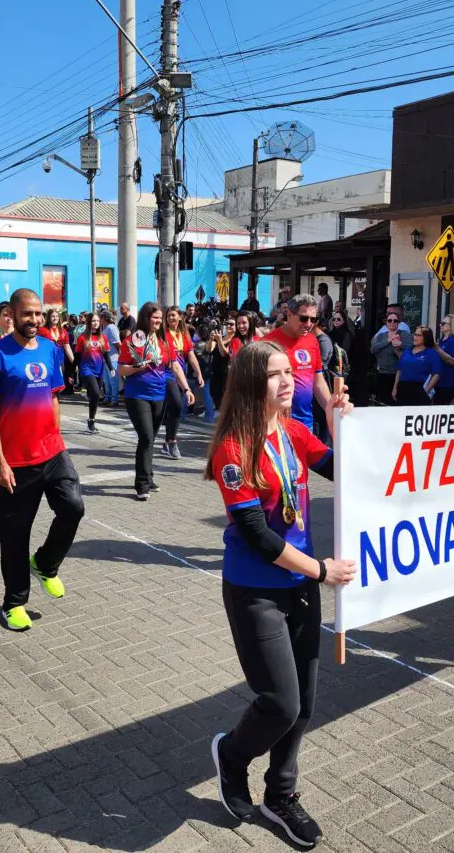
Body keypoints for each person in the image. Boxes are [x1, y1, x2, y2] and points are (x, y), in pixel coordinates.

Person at [206, 341, 356, 845]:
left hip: (302, 587)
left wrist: (339, 422)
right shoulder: (233, 446)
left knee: (306, 702)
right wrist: (320, 569)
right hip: (256, 590)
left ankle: (281, 794)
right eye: (275, 374)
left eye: (289, 372)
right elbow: (257, 534)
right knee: (280, 703)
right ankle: (231, 755)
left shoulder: (294, 431)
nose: (288, 381)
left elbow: (344, 470)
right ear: (252, 383)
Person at [0, 289, 83, 632]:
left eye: (38, 314)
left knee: (73, 508)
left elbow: (53, 397)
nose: (35, 320)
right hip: (16, 462)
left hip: (53, 452)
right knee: (14, 536)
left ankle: (45, 564)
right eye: (27, 314)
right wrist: (0, 461)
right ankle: (13, 604)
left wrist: (59, 438)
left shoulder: (52, 349)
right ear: (12, 313)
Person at [119, 302, 194, 501]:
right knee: (145, 437)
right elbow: (122, 370)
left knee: (151, 438)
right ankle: (142, 484)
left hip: (159, 394)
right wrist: (138, 367)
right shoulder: (134, 340)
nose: (158, 321)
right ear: (145, 318)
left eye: (160, 318)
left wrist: (186, 388)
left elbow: (175, 367)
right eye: (154, 318)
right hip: (137, 395)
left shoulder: (164, 341)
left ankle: (149, 477)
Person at [265, 295, 332, 433]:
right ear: (289, 314)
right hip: (276, 423)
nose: (309, 324)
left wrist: (333, 409)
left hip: (306, 423)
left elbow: (318, 383)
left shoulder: (312, 341)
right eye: (303, 318)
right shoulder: (268, 343)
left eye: (313, 319)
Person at [161, 306, 203, 459]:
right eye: (168, 316)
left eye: (174, 315)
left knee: (175, 410)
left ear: (180, 317)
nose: (171, 318)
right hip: (167, 374)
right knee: (178, 405)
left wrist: (199, 374)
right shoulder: (163, 334)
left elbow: (191, 356)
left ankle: (167, 442)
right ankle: (172, 442)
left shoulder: (184, 334)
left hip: (181, 376)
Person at [75, 312, 109, 433]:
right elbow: (77, 357)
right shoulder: (82, 338)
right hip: (86, 369)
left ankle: (91, 419)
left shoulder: (103, 337)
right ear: (89, 323)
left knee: (95, 396)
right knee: (95, 393)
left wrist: (112, 368)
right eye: (93, 321)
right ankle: (89, 392)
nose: (96, 323)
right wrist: (72, 375)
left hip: (99, 370)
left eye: (97, 321)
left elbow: (106, 354)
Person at [392, 325, 440, 405]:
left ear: (426, 338)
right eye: (415, 334)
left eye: (419, 335)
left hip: (419, 387)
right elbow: (399, 370)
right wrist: (395, 388)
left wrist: (425, 391)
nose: (415, 337)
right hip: (403, 387)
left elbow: (436, 375)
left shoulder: (432, 353)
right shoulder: (407, 351)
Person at [370, 311, 414, 398]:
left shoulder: (404, 334)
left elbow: (412, 349)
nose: (392, 323)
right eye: (390, 320)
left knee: (396, 401)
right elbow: (372, 349)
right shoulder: (381, 336)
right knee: (382, 401)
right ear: (386, 323)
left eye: (395, 321)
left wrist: (400, 343)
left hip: (398, 374)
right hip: (382, 372)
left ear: (399, 322)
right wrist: (388, 340)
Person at [433, 315, 454, 405]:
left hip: (448, 381)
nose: (440, 325)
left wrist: (437, 349)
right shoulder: (440, 340)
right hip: (438, 381)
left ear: (451, 326)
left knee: (442, 408)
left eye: (443, 323)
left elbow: (452, 361)